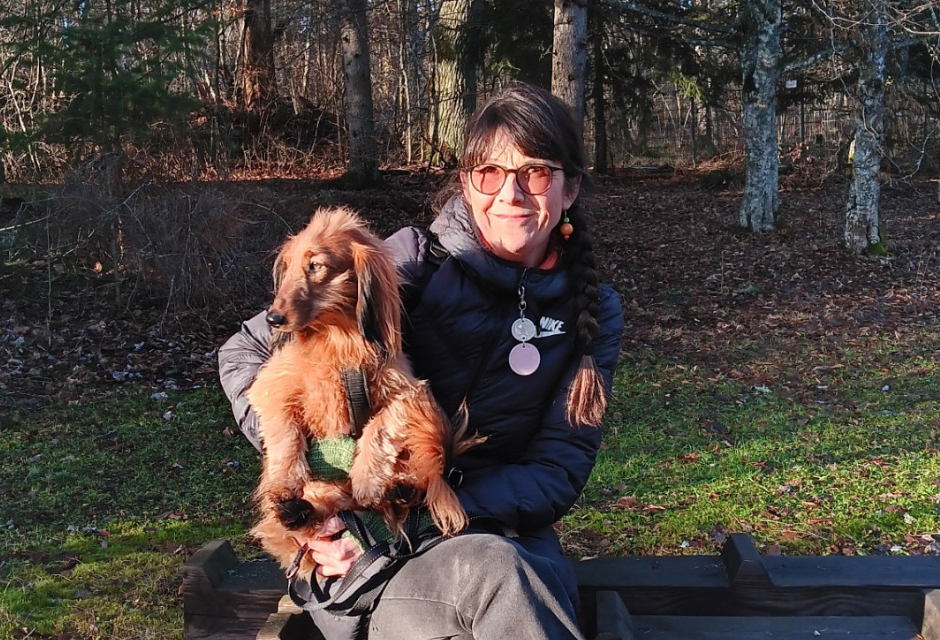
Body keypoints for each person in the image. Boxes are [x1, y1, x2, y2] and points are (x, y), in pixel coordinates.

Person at [218, 82, 624, 640]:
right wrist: (313, 474)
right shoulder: (410, 262)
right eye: (489, 173)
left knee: (511, 579)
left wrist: (446, 511)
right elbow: (246, 352)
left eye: (535, 173)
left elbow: (558, 466)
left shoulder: (593, 309)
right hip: (365, 542)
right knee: (500, 582)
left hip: (498, 532)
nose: (511, 194)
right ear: (466, 182)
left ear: (569, 188)